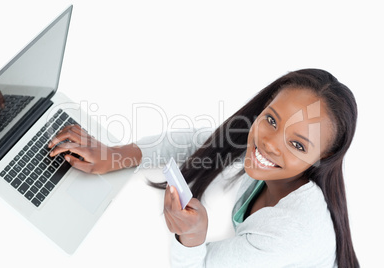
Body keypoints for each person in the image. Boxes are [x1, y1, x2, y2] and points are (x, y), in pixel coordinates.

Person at [48, 69, 359, 267]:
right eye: (271, 120)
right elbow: (200, 142)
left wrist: (192, 238)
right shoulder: (277, 166)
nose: (269, 143)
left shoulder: (291, 234)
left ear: (324, 157)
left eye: (298, 145)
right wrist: (115, 154)